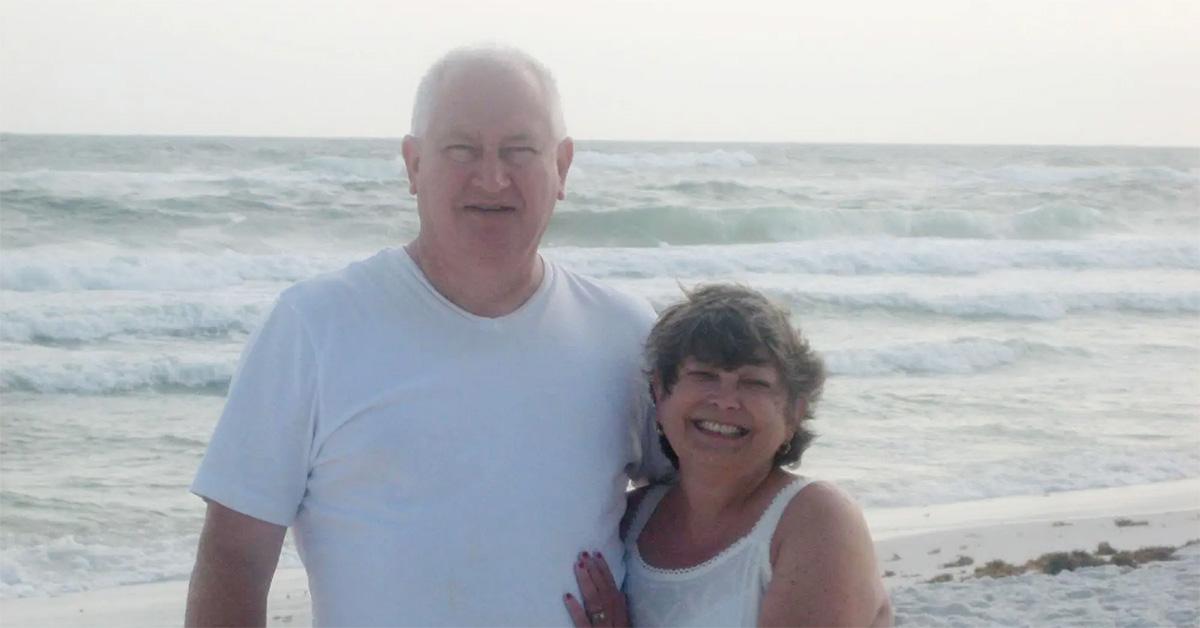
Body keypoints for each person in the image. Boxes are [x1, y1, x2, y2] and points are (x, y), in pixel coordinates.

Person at [185, 45, 667, 626]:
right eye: (462, 149)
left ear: (561, 166)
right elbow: (235, 555)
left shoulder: (626, 335)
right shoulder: (314, 327)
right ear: (414, 164)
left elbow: (701, 510)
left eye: (519, 150)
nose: (492, 176)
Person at [563, 284, 892, 627]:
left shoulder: (816, 518)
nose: (725, 401)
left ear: (794, 412)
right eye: (704, 375)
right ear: (660, 394)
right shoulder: (630, 519)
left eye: (754, 383)